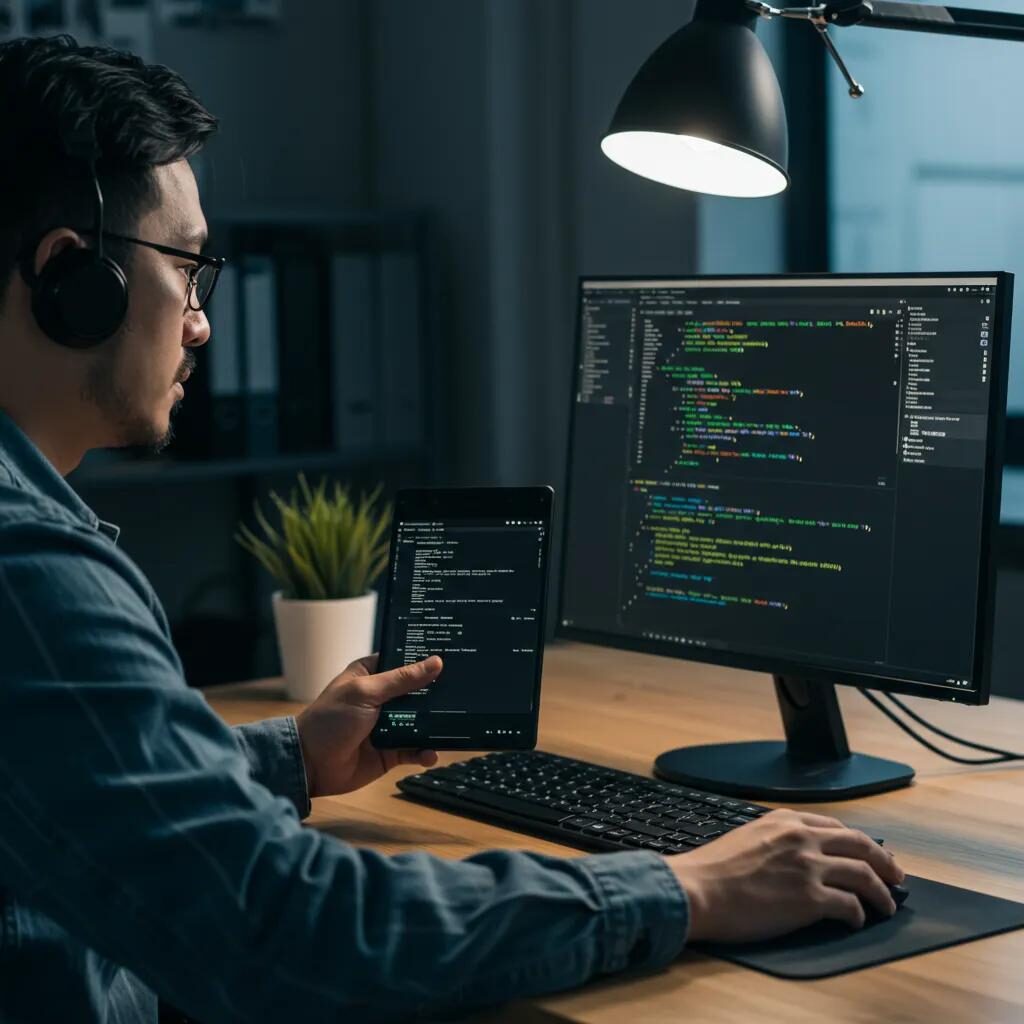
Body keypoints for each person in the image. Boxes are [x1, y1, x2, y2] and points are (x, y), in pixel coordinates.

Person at [0, 35, 905, 1024]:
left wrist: (286, 757)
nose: (202, 323)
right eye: (188, 268)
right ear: (69, 277)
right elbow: (283, 926)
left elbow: (71, 787)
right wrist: (681, 888)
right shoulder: (28, 568)